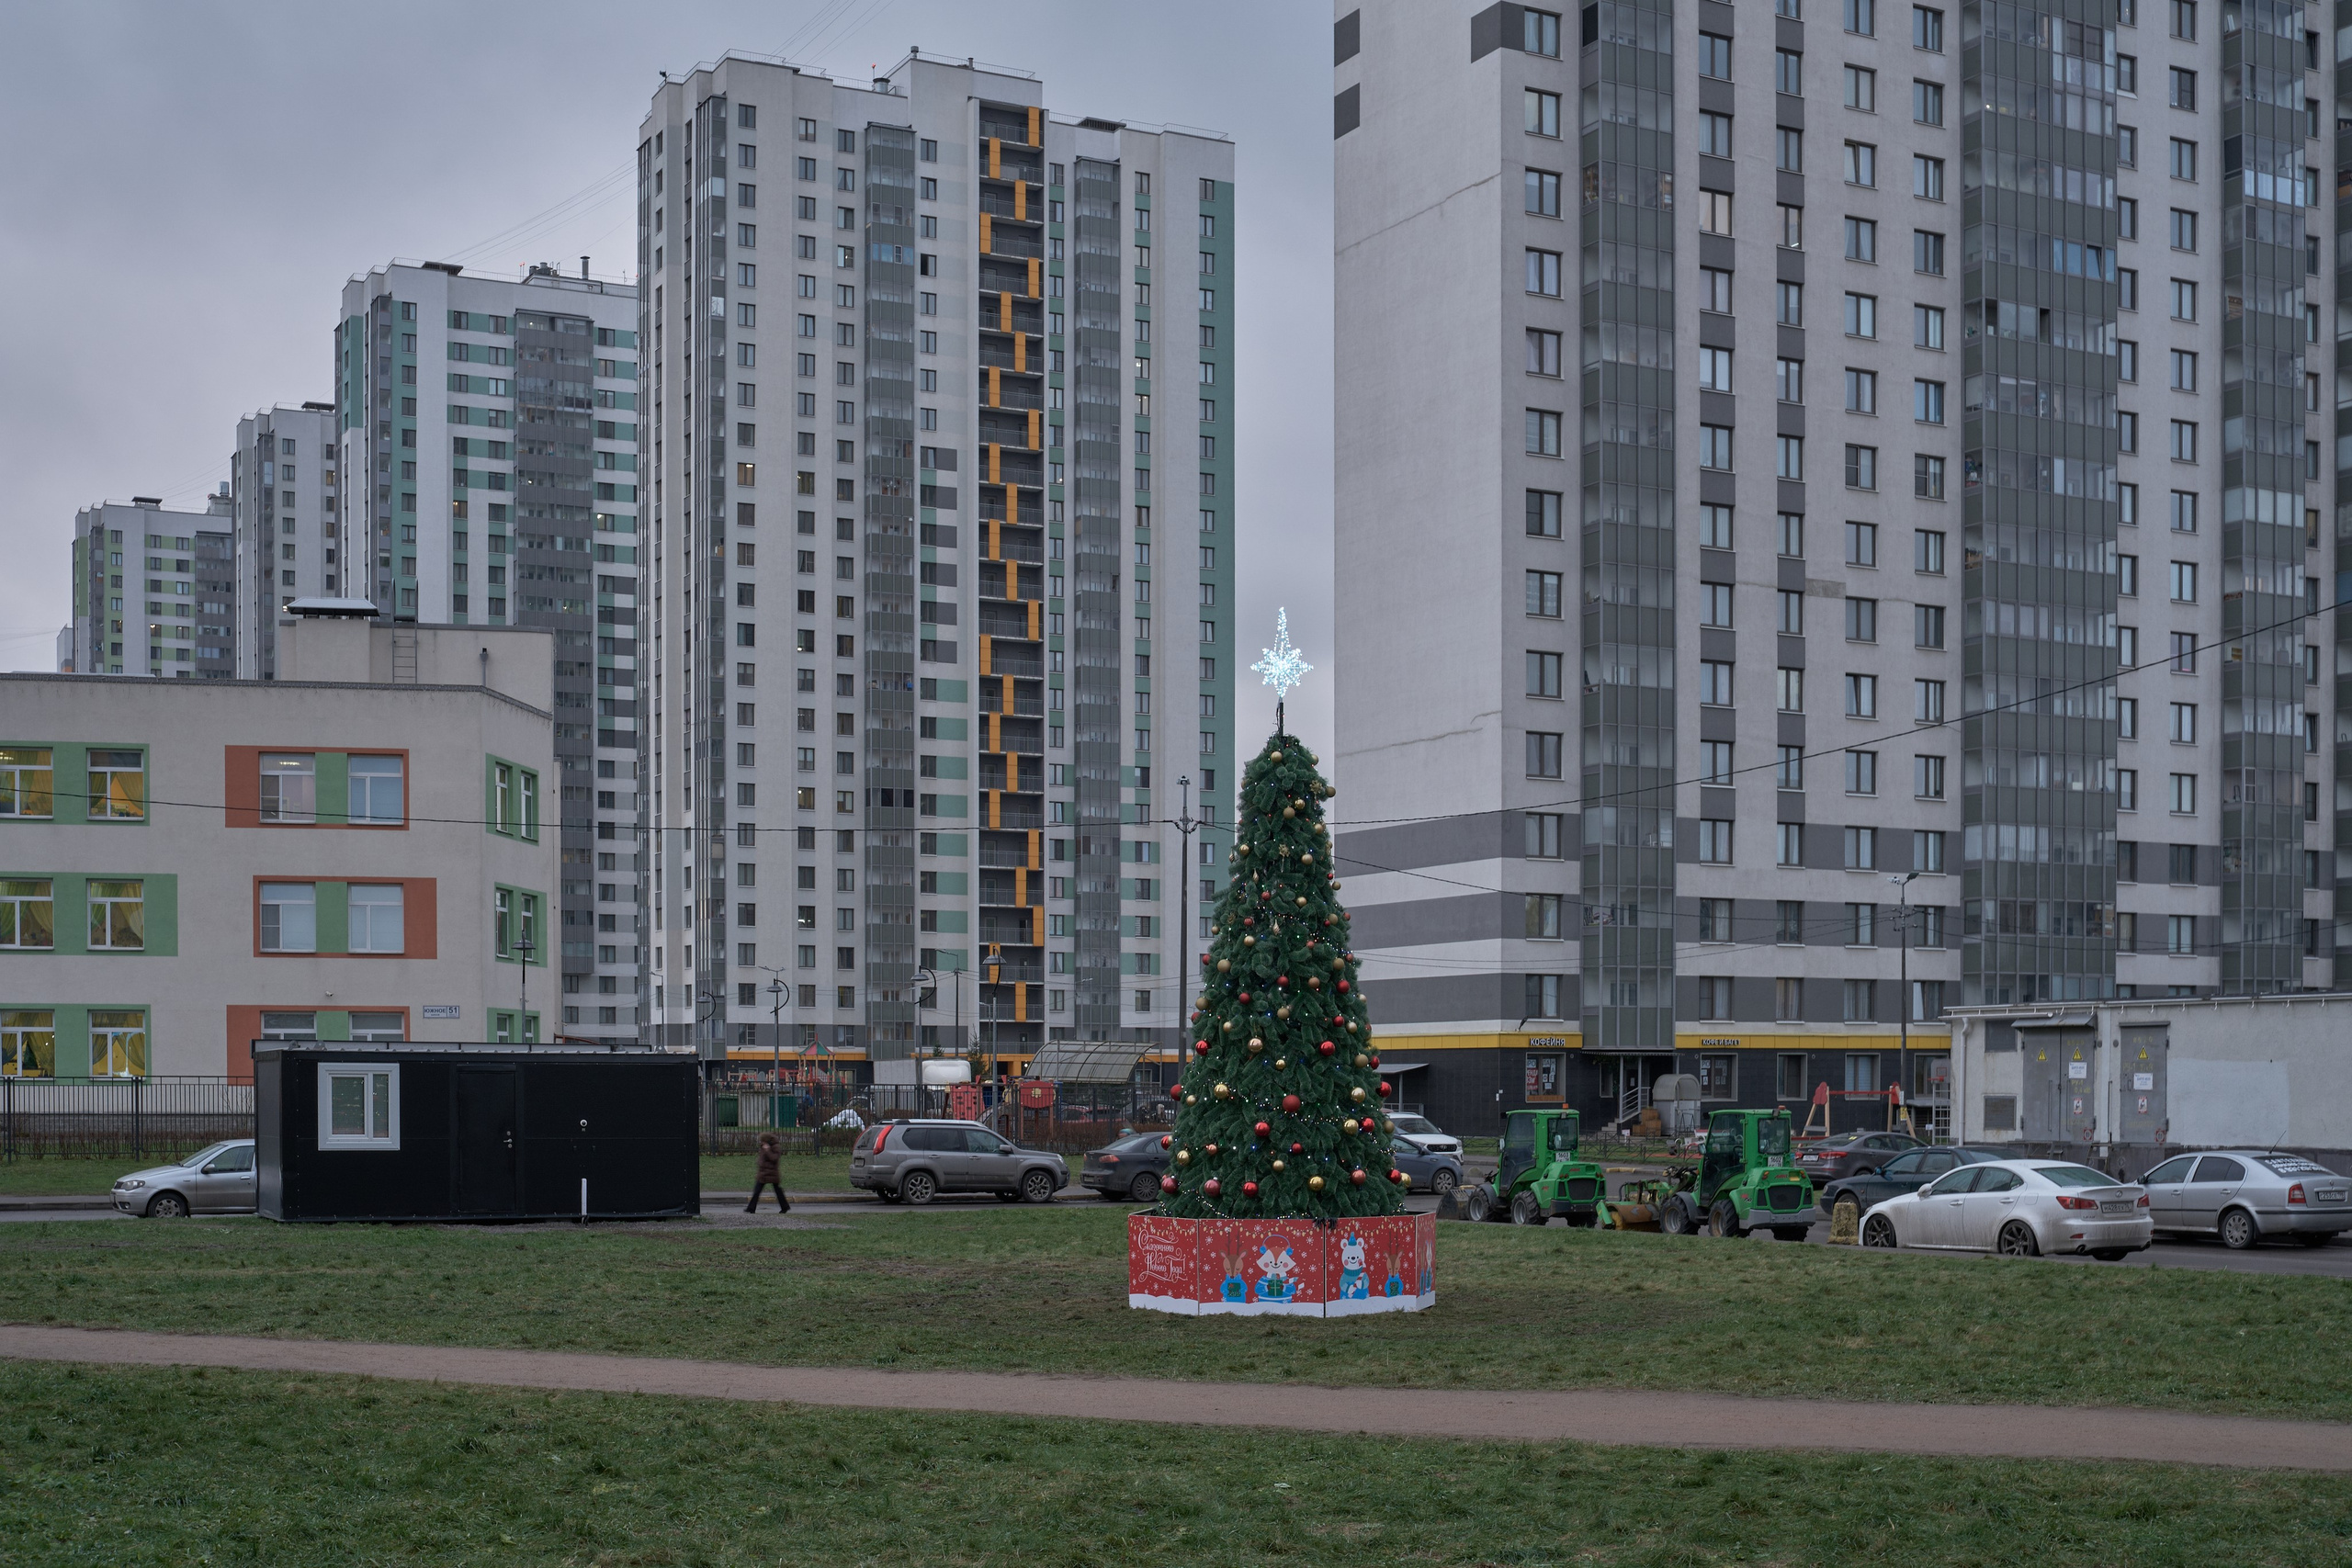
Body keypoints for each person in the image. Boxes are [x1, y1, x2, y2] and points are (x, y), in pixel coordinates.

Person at [746, 1132, 790, 1214]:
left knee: (777, 1191)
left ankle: (785, 1207)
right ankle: (751, 1208)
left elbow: (774, 1158)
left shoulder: (775, 1147)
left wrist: (768, 1150)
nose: (761, 1143)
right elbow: (762, 1158)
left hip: (771, 1172)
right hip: (763, 1172)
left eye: (762, 1141)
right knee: (757, 1190)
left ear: (766, 1140)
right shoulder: (764, 1146)